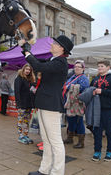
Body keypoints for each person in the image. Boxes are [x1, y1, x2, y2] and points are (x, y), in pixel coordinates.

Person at [22, 35, 74, 175]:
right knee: (46, 140)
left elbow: (38, 66)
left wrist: (27, 52)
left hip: (51, 105)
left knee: (55, 141)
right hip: (45, 103)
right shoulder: (54, 60)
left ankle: (57, 172)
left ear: (61, 48)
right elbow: (38, 62)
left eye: (54, 43)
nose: (51, 44)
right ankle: (44, 170)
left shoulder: (60, 62)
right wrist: (25, 48)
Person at [90, 60, 111, 162]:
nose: (99, 68)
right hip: (96, 109)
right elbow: (90, 89)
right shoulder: (95, 79)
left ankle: (110, 152)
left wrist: (102, 91)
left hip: (108, 109)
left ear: (108, 67)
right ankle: (97, 151)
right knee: (97, 131)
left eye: (102, 66)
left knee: (109, 132)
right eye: (98, 66)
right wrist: (91, 92)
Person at [63, 60, 89, 148]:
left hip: (78, 104)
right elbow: (66, 85)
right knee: (71, 121)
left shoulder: (84, 78)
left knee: (79, 122)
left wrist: (69, 87)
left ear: (83, 69)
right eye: (75, 67)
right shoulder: (73, 76)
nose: (77, 68)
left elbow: (83, 89)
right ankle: (70, 138)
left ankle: (81, 142)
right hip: (70, 103)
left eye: (79, 67)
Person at [14, 63, 36, 144]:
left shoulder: (30, 80)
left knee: (26, 121)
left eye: (29, 70)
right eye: (26, 69)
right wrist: (18, 104)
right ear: (23, 69)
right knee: (20, 120)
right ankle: (20, 136)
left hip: (28, 105)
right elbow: (17, 92)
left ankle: (26, 135)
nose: (28, 71)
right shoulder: (19, 78)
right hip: (22, 104)